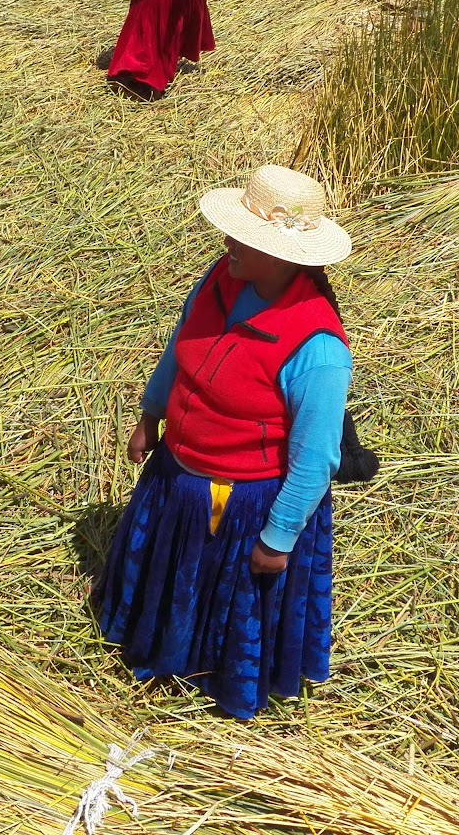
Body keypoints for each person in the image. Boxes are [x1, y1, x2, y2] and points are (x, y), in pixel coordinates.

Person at [93, 164, 352, 719]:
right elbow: (182, 346)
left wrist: (278, 538)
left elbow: (315, 459)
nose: (228, 242)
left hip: (243, 503)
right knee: (172, 581)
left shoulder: (318, 347)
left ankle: (212, 680)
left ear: (285, 257)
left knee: (226, 601)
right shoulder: (221, 278)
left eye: (244, 237)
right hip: (180, 472)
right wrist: (152, 412)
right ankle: (163, 653)